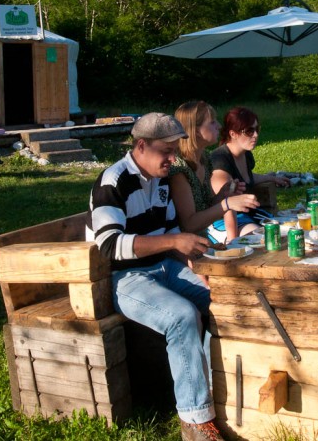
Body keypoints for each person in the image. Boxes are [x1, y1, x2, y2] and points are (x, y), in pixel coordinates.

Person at [86, 112, 224, 441]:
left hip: (165, 268)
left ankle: (216, 388)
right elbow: (110, 245)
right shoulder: (113, 182)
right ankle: (195, 421)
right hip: (125, 279)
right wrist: (174, 242)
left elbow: (173, 229)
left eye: (176, 149)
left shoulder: (160, 178)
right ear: (142, 146)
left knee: (223, 298)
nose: (173, 158)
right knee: (181, 316)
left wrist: (196, 267)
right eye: (167, 151)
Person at [169, 100, 260, 235]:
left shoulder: (204, 159)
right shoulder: (179, 168)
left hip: (201, 242)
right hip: (184, 248)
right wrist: (227, 204)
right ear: (196, 131)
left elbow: (205, 208)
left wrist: (222, 195)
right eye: (212, 122)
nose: (218, 126)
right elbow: (189, 224)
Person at [209, 106, 290, 242]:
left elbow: (248, 177)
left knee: (288, 228)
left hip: (246, 214)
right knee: (263, 239)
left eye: (256, 129)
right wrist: (233, 243)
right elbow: (227, 204)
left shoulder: (245, 154)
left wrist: (273, 178)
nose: (256, 135)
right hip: (222, 221)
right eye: (249, 131)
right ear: (233, 134)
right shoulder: (220, 160)